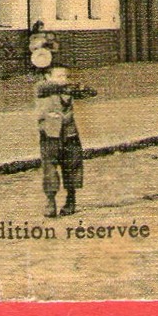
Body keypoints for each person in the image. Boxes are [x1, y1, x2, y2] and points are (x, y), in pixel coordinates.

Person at [36, 65, 97, 217]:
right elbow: (42, 88)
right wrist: (62, 85)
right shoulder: (41, 87)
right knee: (49, 168)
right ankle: (50, 201)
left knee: (72, 165)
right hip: (50, 134)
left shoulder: (68, 89)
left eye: (65, 76)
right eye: (59, 76)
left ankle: (71, 200)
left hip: (69, 133)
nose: (63, 79)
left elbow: (92, 93)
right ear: (47, 77)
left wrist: (79, 87)